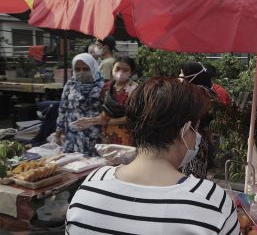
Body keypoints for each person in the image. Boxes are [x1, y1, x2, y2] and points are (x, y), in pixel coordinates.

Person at [66, 78, 240, 234]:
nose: (198, 136)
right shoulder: (210, 201)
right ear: (185, 130)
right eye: (196, 129)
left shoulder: (91, 185)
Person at [73, 56, 138, 146]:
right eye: (117, 68)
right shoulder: (107, 87)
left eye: (125, 70)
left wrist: (107, 122)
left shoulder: (134, 89)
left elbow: (132, 117)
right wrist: (90, 121)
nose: (120, 72)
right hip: (107, 133)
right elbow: (105, 110)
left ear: (131, 72)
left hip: (126, 133)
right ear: (112, 69)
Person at [54, 53, 103, 155]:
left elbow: (106, 113)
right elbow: (63, 109)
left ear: (93, 67)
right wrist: (58, 133)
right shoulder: (70, 84)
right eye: (77, 69)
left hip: (93, 135)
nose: (81, 72)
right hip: (71, 136)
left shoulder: (102, 86)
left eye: (86, 69)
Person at [179, 61, 216, 178]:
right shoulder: (204, 92)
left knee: (191, 176)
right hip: (197, 139)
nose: (179, 76)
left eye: (181, 73)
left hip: (192, 140)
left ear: (192, 76)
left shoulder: (195, 94)